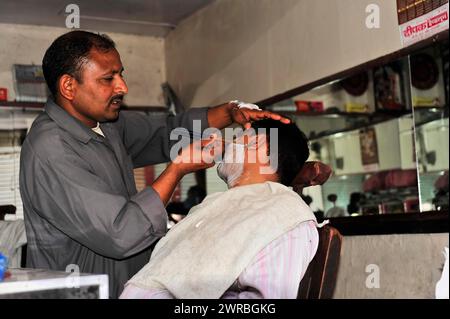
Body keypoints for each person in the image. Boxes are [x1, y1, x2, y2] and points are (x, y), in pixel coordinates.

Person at [19, 30, 290, 298]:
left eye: (120, 74)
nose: (122, 87)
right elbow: (121, 233)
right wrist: (177, 170)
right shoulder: (51, 149)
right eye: (108, 79)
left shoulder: (107, 125)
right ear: (68, 86)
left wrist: (229, 112)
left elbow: (169, 131)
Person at [120, 119, 319, 299]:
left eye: (237, 138)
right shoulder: (215, 206)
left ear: (257, 143)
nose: (227, 147)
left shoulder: (283, 215)